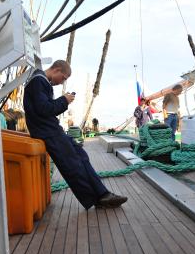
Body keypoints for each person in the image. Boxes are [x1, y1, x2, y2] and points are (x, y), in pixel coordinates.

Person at [23, 60, 127, 209]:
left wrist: (62, 101)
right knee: (72, 165)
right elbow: (44, 109)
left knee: (81, 156)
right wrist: (63, 100)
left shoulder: (40, 81)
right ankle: (96, 198)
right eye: (64, 78)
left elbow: (43, 108)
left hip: (52, 130)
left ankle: (102, 194)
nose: (62, 82)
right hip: (48, 132)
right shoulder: (38, 81)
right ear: (57, 70)